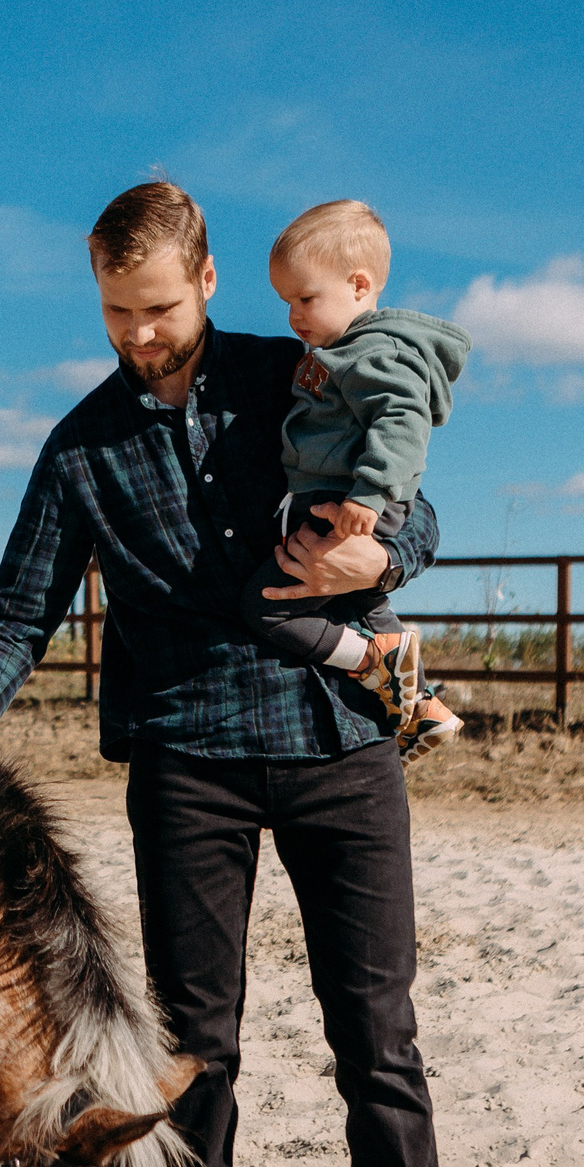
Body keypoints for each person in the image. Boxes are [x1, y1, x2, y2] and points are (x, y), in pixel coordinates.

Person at [0, 180, 467, 1167]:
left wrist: (376, 562)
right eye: (115, 312)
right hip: (188, 766)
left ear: (209, 280)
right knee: (194, 1059)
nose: (137, 336)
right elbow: (19, 612)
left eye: (158, 308)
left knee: (376, 1042)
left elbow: (418, 504)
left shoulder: (307, 368)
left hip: (340, 744)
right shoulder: (79, 448)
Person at [241, 199, 467, 762]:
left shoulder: (374, 352)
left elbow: (402, 421)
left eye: (305, 298)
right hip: (341, 499)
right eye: (287, 302)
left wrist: (369, 493)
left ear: (359, 286)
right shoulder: (343, 350)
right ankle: (424, 712)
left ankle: (369, 663)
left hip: (348, 503)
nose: (294, 315)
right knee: (366, 612)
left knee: (267, 606)